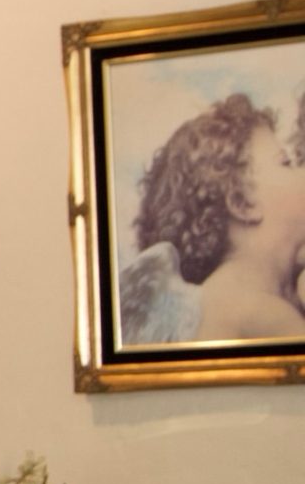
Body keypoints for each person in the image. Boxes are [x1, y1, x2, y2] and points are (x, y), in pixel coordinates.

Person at [127, 92, 305, 343]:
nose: (302, 172)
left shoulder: (217, 299)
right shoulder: (262, 314)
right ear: (242, 203)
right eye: (286, 163)